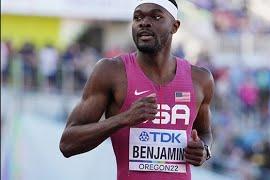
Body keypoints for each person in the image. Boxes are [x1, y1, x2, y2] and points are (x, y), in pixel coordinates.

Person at [59, 1, 214, 180]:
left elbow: (205, 133)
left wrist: (204, 150)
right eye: (137, 17)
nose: (144, 22)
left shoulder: (200, 79)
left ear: (175, 26)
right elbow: (67, 143)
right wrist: (123, 119)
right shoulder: (111, 71)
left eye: (156, 16)